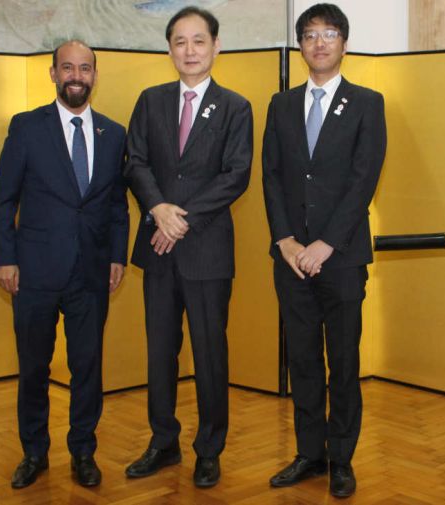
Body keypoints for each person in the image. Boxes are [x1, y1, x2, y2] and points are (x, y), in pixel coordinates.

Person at [0, 40, 129, 489]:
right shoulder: (27, 127)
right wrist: (4, 258)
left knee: (88, 366)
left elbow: (117, 207)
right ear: (52, 74)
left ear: (94, 75)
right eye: (67, 67)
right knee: (34, 367)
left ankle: (83, 452)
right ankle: (34, 453)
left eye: (84, 68)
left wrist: (116, 257)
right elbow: (3, 200)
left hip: (91, 272)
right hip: (33, 273)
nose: (76, 76)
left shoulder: (114, 134)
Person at [122, 6, 253, 489]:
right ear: (169, 49)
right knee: (161, 351)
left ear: (216, 47)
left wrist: (180, 220)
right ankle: (163, 441)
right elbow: (135, 162)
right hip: (158, 247)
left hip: (206, 251)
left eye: (199, 41)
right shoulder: (151, 100)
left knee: (209, 353)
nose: (190, 50)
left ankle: (209, 448)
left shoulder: (236, 106)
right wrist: (159, 210)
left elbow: (235, 175)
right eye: (180, 41)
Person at [262, 3, 386, 499]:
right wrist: (287, 240)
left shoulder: (366, 102)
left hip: (342, 257)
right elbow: (271, 176)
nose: (319, 43)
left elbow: (364, 179)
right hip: (291, 258)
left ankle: (341, 459)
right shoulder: (281, 104)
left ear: (344, 43)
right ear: (300, 46)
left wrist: (326, 243)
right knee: (304, 361)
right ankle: (309, 454)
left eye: (329, 34)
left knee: (343, 361)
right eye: (310, 35)